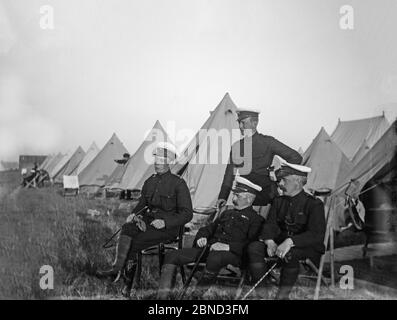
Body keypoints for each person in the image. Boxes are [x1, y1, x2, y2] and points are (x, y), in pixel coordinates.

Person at [96, 142, 193, 285]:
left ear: (169, 163)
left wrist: (165, 222)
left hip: (167, 228)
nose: (157, 163)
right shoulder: (150, 181)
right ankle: (116, 269)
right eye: (156, 160)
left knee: (136, 241)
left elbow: (187, 214)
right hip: (148, 223)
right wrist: (133, 214)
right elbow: (142, 204)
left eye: (161, 160)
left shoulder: (178, 183)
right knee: (127, 228)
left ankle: (127, 284)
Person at [156, 176, 264, 299]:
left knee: (215, 257)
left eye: (237, 196)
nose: (233, 199)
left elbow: (251, 244)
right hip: (208, 249)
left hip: (233, 255)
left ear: (249, 199)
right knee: (172, 255)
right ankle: (162, 298)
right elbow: (208, 229)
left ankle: (195, 297)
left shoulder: (256, 220)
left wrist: (227, 247)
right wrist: (202, 237)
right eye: (234, 195)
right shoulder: (227, 213)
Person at [247, 159, 326, 300]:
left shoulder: (313, 204)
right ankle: (262, 294)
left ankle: (282, 297)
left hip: (306, 247)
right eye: (280, 181)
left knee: (291, 253)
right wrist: (270, 241)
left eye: (284, 180)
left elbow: (316, 235)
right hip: (279, 243)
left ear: (297, 182)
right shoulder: (279, 201)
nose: (280, 184)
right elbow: (270, 224)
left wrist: (290, 241)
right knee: (254, 247)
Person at [217, 108, 302, 209]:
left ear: (254, 123)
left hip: (265, 196)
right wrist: (223, 196)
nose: (240, 126)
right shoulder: (237, 146)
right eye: (239, 123)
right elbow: (229, 174)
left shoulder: (268, 142)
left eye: (243, 123)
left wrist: (277, 175)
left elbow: (296, 157)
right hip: (244, 198)